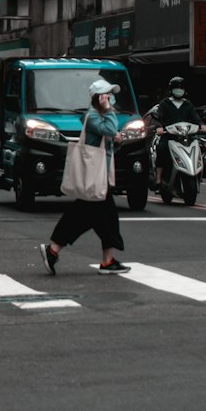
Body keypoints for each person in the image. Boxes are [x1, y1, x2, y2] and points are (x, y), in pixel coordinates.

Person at [40, 78, 130, 274]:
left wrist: (117, 140)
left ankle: (106, 260)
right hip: (95, 178)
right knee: (83, 216)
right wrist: (109, 112)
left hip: (100, 177)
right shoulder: (94, 116)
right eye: (107, 95)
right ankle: (53, 250)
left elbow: (109, 138)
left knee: (102, 218)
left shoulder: (99, 117)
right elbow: (110, 129)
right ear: (98, 98)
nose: (111, 98)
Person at [150, 75, 206, 190]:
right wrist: (159, 127)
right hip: (169, 137)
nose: (179, 90)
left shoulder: (188, 105)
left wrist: (202, 125)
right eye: (176, 88)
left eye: (181, 88)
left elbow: (195, 118)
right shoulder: (165, 103)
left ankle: (197, 174)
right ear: (171, 90)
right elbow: (157, 117)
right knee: (161, 149)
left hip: (186, 137)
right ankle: (159, 178)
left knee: (200, 148)